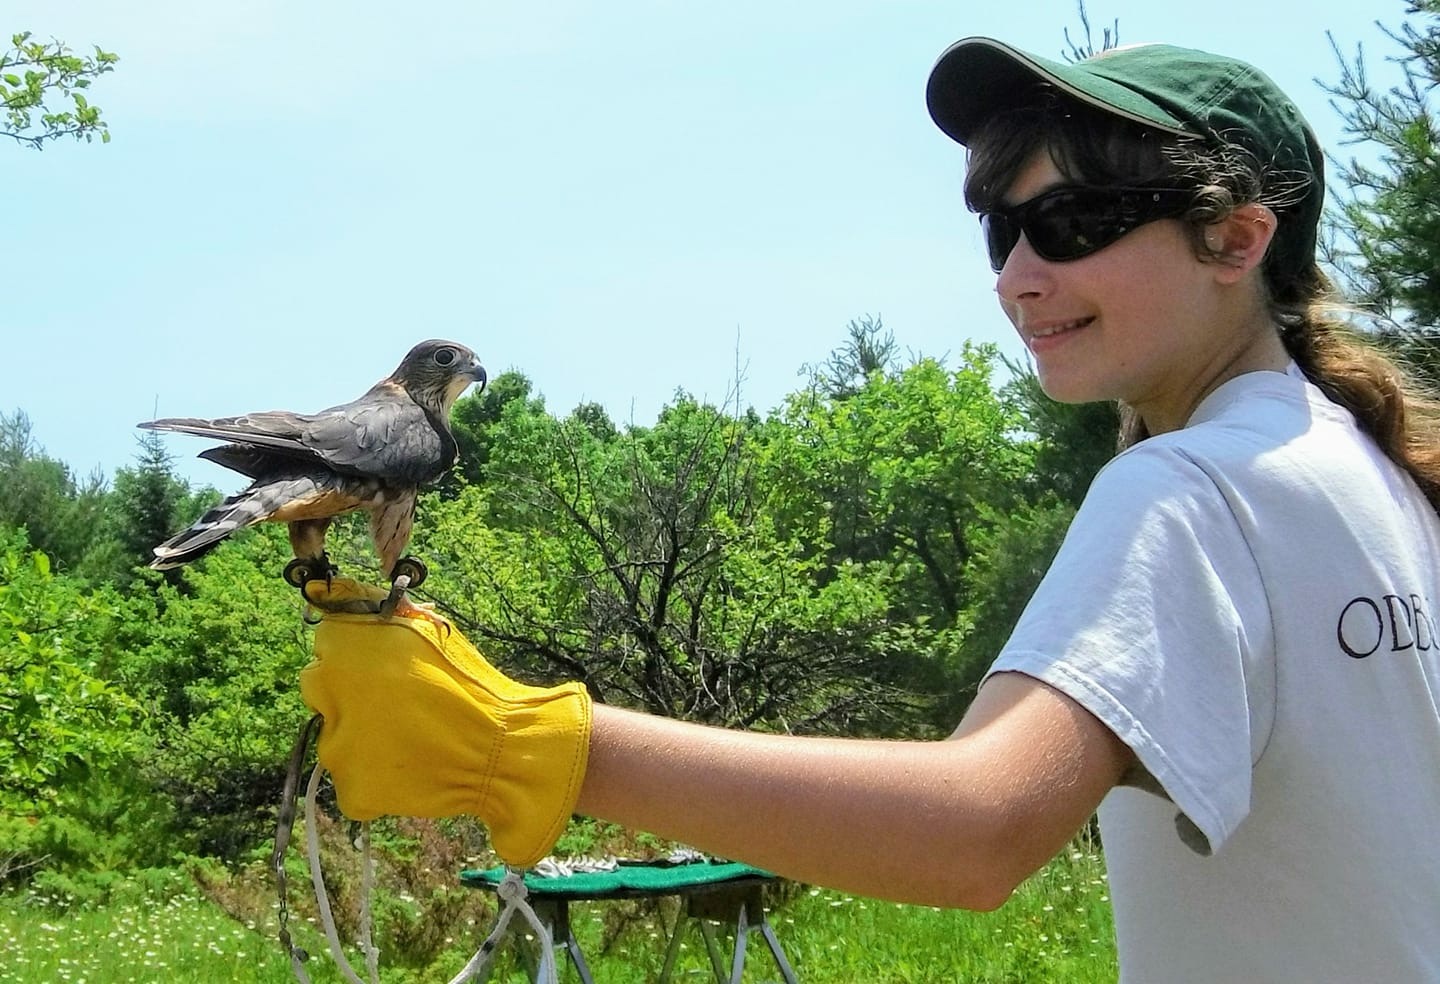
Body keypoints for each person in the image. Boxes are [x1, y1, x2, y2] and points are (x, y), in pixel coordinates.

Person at [299, 36, 1440, 982]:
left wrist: (523, 742)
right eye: (1003, 227)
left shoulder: (1186, 492)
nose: (1017, 276)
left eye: (1077, 223)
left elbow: (978, 831)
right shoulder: (1373, 476)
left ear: (1239, 237)